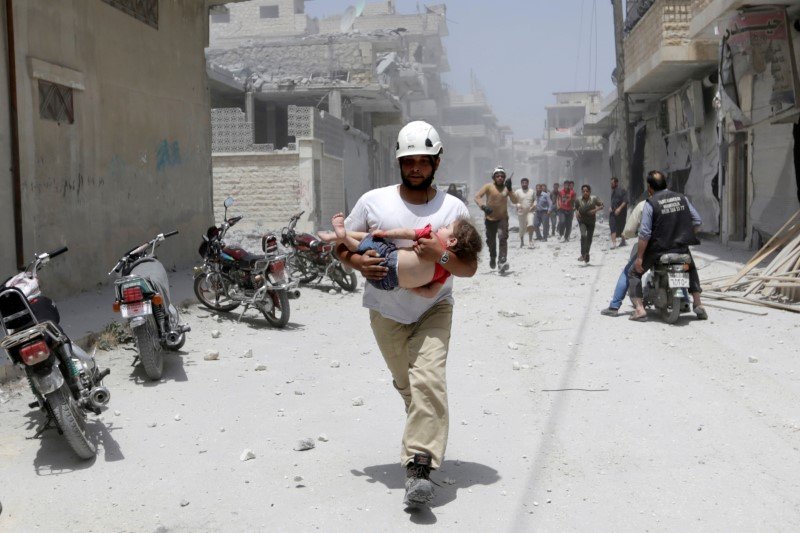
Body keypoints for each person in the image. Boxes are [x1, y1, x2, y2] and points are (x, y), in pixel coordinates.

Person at [338, 120, 477, 507]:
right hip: (386, 311)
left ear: (437, 161)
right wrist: (356, 263)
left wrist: (440, 255)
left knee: (428, 380)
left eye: (424, 161)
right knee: (408, 385)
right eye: (409, 161)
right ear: (399, 161)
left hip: (436, 307)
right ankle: (420, 416)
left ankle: (419, 467)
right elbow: (341, 247)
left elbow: (468, 268)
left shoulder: (454, 208)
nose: (416, 167)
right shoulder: (373, 201)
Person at [319, 212, 481, 298]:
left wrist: (385, 233)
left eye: (446, 227)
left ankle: (341, 235)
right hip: (389, 283)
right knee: (367, 244)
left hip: (388, 259)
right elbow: (429, 293)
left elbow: (406, 233)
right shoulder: (445, 272)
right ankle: (341, 236)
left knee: (369, 241)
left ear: (452, 241)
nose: (442, 228)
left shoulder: (432, 238)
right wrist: (409, 284)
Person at [627, 170, 707, 321]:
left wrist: (639, 258)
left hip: (658, 249)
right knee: (690, 268)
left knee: (633, 273)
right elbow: (697, 222)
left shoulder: (650, 203)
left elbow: (644, 234)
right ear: (666, 184)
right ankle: (698, 303)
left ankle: (639, 309)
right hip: (680, 247)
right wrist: (684, 234)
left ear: (650, 187)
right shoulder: (682, 198)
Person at [600, 195, 647, 316]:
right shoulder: (680, 200)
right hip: (676, 246)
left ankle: (614, 306)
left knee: (629, 272)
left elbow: (629, 230)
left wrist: (627, 234)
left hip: (651, 247)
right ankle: (686, 299)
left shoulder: (643, 205)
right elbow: (696, 222)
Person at [474, 167, 519, 272]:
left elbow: (515, 200)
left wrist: (510, 189)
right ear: (493, 177)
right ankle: (493, 256)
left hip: (502, 218)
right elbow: (477, 197)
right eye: (497, 176)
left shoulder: (507, 188)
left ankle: (502, 261)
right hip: (489, 218)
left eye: (502, 176)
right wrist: (483, 207)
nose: (500, 178)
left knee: (502, 238)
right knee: (491, 241)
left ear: (504, 178)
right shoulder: (488, 186)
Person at [574, 184, 604, 263]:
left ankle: (587, 254)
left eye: (587, 191)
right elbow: (575, 207)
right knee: (583, 236)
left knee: (589, 238)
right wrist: (576, 212)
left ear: (590, 192)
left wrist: (595, 210)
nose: (585, 192)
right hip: (582, 221)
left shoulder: (594, 199)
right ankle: (583, 254)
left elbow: (602, 205)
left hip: (591, 221)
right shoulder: (578, 200)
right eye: (583, 191)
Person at [514, 178, 536, 247]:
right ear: (521, 184)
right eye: (523, 183)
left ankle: (530, 241)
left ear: (528, 183)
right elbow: (514, 201)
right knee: (522, 228)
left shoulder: (532, 191)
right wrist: (517, 205)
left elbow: (535, 200)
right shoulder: (517, 192)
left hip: (530, 211)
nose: (524, 184)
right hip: (521, 212)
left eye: (525, 183)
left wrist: (533, 206)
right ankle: (522, 242)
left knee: (531, 225)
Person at [609, 177, 629, 249]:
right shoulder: (613, 192)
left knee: (622, 226)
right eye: (611, 183)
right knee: (612, 226)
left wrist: (619, 209)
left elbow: (625, 201)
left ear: (616, 183)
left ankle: (623, 241)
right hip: (613, 213)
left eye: (612, 183)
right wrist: (611, 207)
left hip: (621, 212)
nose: (611, 185)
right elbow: (614, 202)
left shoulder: (622, 190)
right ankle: (614, 244)